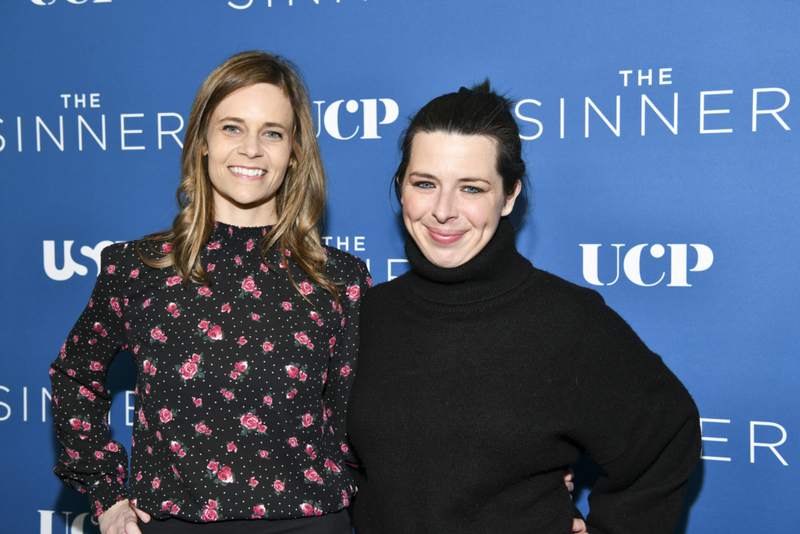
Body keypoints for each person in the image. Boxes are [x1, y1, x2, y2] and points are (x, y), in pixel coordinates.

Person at [346, 82, 701, 533]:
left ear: (510, 195)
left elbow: (666, 437)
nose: (443, 210)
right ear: (401, 188)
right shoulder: (366, 314)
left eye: (471, 188)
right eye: (424, 183)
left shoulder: (568, 320)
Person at [50, 51, 370, 534]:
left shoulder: (339, 279)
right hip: (173, 523)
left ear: (296, 151)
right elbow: (75, 376)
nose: (252, 149)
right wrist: (108, 496)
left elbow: (356, 418)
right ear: (202, 140)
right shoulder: (138, 269)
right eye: (232, 128)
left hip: (311, 523)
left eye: (273, 132)